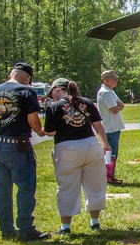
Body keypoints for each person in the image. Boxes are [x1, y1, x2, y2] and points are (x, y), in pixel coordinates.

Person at [0, 62, 50, 240]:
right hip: (17, 145)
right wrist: (41, 132)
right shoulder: (26, 92)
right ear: (27, 77)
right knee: (25, 187)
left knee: (2, 190)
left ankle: (6, 229)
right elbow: (33, 121)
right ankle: (26, 228)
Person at [44, 78, 110, 234]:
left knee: (67, 186)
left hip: (67, 147)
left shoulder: (55, 107)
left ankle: (66, 226)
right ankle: (95, 222)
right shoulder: (87, 102)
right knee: (95, 185)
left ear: (56, 90)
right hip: (91, 144)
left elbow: (50, 132)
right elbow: (98, 126)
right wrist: (105, 144)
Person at [96, 70, 126, 184]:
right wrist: (118, 106)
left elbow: (121, 104)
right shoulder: (105, 92)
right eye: (114, 79)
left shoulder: (110, 91)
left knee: (113, 154)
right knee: (109, 154)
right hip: (109, 128)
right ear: (106, 80)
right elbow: (114, 109)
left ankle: (110, 175)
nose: (116, 81)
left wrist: (118, 105)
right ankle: (108, 177)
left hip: (114, 127)